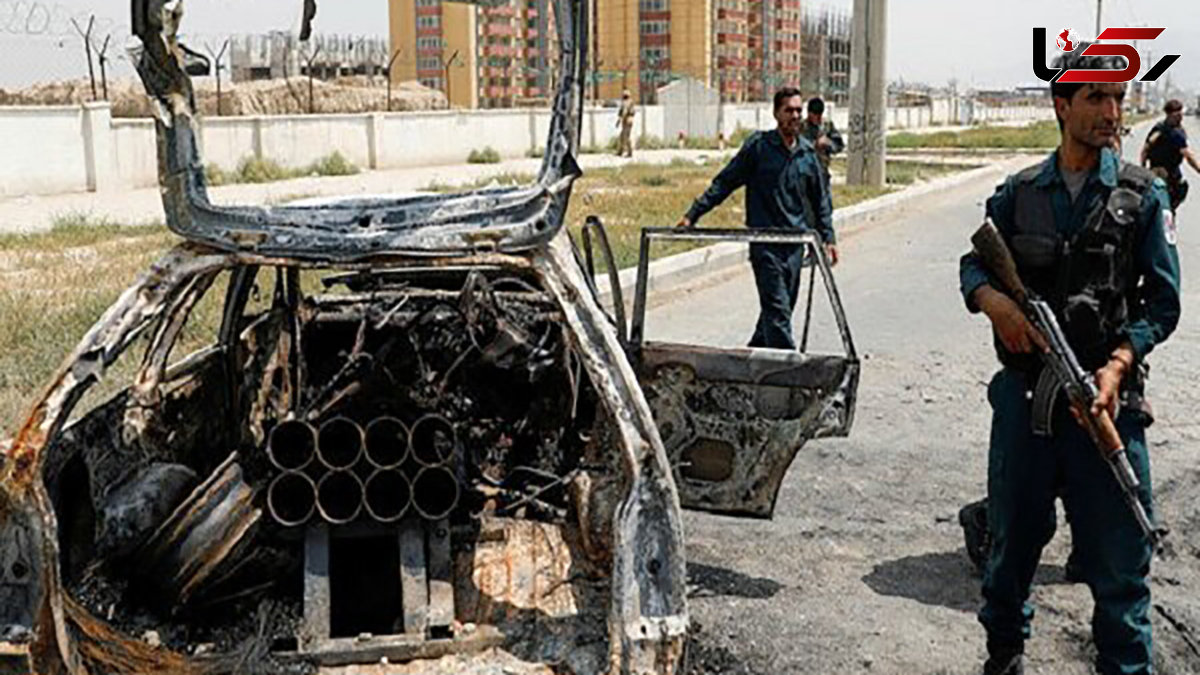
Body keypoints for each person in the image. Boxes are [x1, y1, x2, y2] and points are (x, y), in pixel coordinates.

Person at [959, 44, 1180, 675]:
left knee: (1121, 568)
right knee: (1008, 554)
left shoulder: (1142, 199)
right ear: (1062, 105)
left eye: (1118, 99)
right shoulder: (1020, 192)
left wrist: (1118, 364)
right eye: (1096, 98)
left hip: (1105, 404)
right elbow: (975, 262)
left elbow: (1163, 305)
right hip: (1028, 406)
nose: (1112, 112)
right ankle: (1004, 657)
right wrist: (997, 306)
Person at [675, 87, 835, 349]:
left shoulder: (807, 154)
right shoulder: (759, 147)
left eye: (798, 110)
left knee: (777, 314)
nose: (795, 116)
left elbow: (821, 201)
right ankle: (789, 375)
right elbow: (725, 182)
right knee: (778, 312)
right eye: (789, 110)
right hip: (765, 246)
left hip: (795, 246)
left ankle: (749, 362)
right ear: (776, 113)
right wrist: (693, 214)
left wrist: (828, 237)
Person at [1140, 98, 1200, 213]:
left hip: (1155, 174)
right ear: (1170, 114)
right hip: (1168, 176)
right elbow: (1187, 155)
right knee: (1167, 209)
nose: (1181, 116)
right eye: (1178, 114)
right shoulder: (1174, 133)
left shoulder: (1158, 128)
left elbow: (1145, 151)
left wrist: (1144, 170)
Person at [803, 96, 845, 184]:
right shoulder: (801, 127)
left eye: (820, 115)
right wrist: (814, 145)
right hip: (804, 172)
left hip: (822, 171)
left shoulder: (827, 125)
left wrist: (828, 143)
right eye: (815, 115)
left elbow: (839, 145)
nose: (818, 118)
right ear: (809, 113)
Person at [616, 90, 636, 158]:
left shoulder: (625, 102)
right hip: (630, 120)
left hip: (626, 120)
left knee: (626, 136)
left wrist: (619, 120)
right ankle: (621, 151)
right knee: (622, 136)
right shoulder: (631, 102)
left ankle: (629, 152)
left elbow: (624, 112)